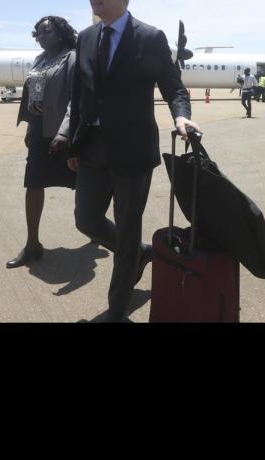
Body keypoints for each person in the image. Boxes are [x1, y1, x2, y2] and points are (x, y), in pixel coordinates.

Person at [59, 0, 200, 322]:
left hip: (132, 148)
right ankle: (140, 253)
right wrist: (74, 144)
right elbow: (79, 94)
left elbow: (173, 86)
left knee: (126, 229)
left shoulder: (149, 37)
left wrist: (181, 116)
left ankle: (117, 308)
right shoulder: (86, 37)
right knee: (86, 220)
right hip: (92, 146)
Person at [7, 15, 79, 269]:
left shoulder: (72, 58)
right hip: (40, 131)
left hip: (64, 133)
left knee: (83, 184)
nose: (41, 36)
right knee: (33, 183)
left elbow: (76, 98)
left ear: (60, 33)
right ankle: (32, 244)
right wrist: (30, 126)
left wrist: (64, 132)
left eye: (47, 31)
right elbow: (32, 97)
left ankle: (96, 226)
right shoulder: (39, 60)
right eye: (38, 32)